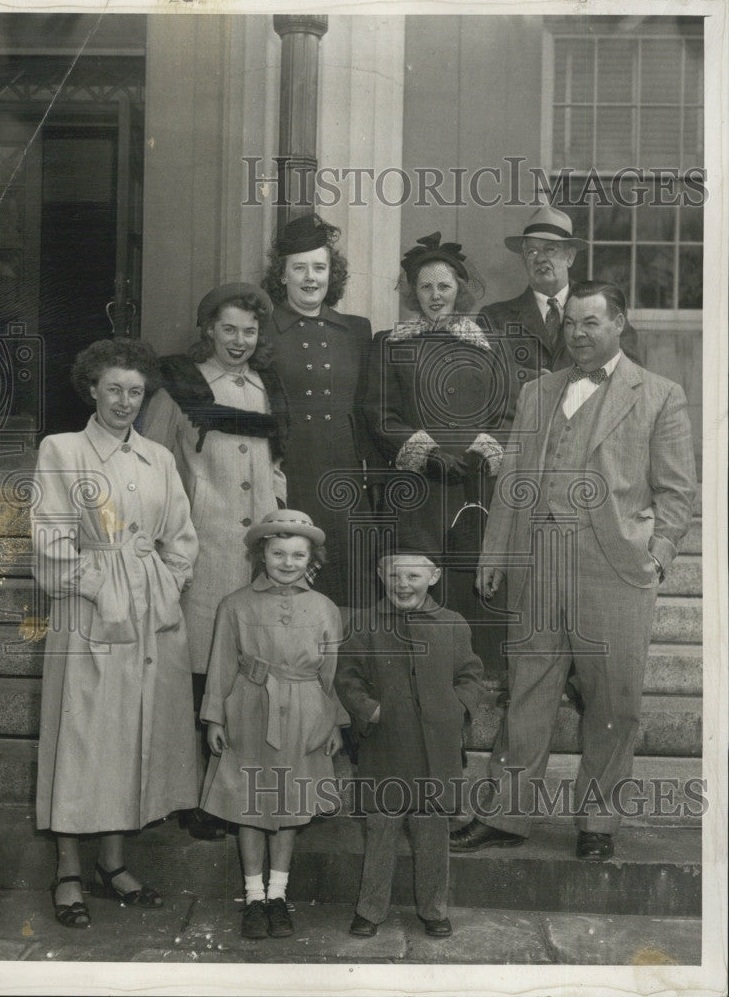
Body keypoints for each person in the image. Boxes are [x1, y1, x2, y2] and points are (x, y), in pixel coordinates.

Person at [450, 281, 696, 860]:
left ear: (619, 324)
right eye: (571, 325)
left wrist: (657, 554)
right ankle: (506, 816)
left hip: (614, 569)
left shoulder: (659, 395)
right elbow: (511, 480)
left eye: (591, 323)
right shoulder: (538, 392)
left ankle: (597, 825)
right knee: (527, 694)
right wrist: (495, 553)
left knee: (614, 702)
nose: (579, 335)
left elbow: (678, 492)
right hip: (538, 566)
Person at [31, 338, 199, 928]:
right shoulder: (63, 450)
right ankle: (69, 871)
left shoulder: (158, 457)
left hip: (151, 615)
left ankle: (113, 862)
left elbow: (180, 536)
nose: (125, 401)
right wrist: (103, 585)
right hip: (88, 612)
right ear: (92, 390)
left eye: (135, 391)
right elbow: (51, 538)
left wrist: (166, 584)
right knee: (82, 736)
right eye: (113, 389)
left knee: (133, 735)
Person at [141, 282, 289, 841]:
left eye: (249, 331)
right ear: (208, 329)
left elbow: (276, 464)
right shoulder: (179, 388)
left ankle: (235, 788)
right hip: (200, 551)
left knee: (242, 672)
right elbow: (155, 467)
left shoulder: (264, 388)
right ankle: (195, 793)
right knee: (200, 672)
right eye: (228, 328)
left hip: (254, 554)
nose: (239, 341)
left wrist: (278, 518)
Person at [364, 232, 523, 679]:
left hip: (474, 482)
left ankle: (482, 674)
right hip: (417, 486)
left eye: (444, 287)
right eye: (426, 287)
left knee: (474, 575)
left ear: (460, 289)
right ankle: (423, 676)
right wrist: (425, 452)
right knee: (418, 573)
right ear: (413, 292)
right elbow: (378, 414)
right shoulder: (388, 343)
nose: (435, 297)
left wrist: (482, 450)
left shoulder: (488, 345)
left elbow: (508, 409)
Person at [199, 510, 344, 939]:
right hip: (249, 710)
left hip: (305, 713)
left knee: (288, 805)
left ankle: (278, 896)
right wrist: (214, 717)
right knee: (250, 804)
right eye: (278, 552)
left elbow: (331, 672)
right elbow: (221, 664)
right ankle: (253, 897)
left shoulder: (324, 608)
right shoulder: (235, 604)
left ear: (310, 559)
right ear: (261, 554)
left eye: (297, 555)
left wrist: (334, 722)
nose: (287, 562)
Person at [335, 535, 485, 939]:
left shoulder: (452, 623)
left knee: (433, 834)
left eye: (413, 575)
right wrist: (371, 710)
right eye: (394, 575)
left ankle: (434, 909)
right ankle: (370, 910)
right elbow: (346, 679)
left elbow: (471, 674)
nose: (403, 584)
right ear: (382, 576)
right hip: (385, 749)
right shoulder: (365, 624)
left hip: (437, 753)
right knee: (381, 832)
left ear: (433, 576)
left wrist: (458, 706)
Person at [261, 213, 375, 607]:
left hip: (345, 474)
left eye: (320, 267)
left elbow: (366, 412)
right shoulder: (263, 330)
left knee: (347, 584)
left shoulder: (357, 330)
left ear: (332, 273)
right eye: (299, 268)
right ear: (282, 275)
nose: (311, 278)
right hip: (291, 470)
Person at [477, 205, 640, 375]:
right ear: (523, 260)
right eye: (531, 251)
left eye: (550, 249)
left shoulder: (604, 307)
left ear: (569, 257)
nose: (540, 258)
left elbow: (631, 372)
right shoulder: (495, 318)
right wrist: (533, 382)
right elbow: (485, 378)